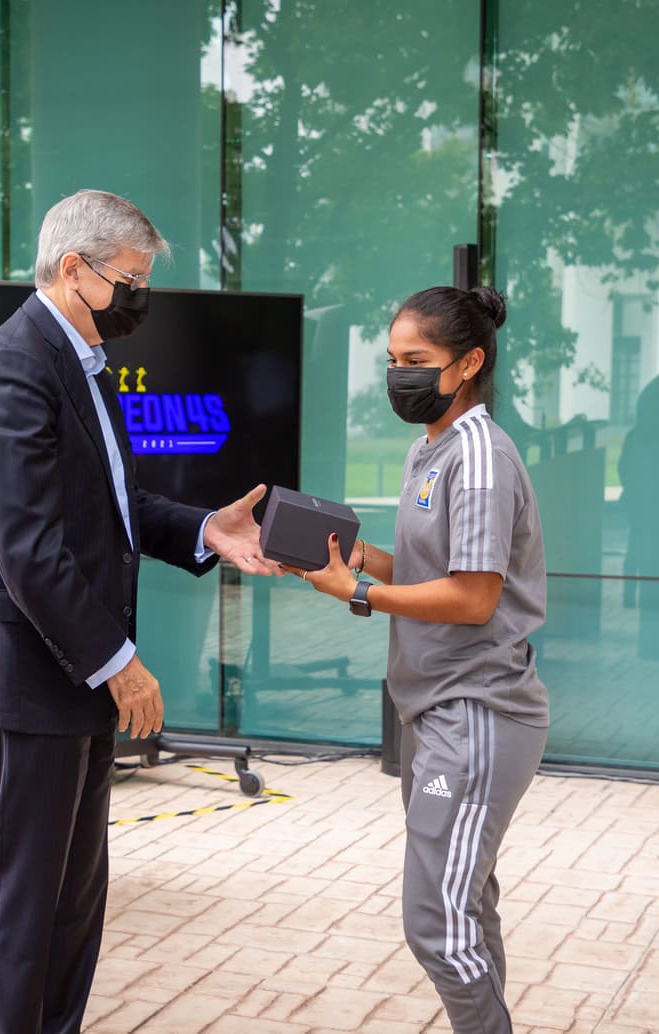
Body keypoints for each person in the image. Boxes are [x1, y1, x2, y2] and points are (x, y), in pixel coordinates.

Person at [0, 188, 282, 1032]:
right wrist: (118, 663)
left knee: (70, 909)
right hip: (32, 688)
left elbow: (115, 508)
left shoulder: (77, 360)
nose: (140, 298)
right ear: (73, 270)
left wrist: (207, 527)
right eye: (129, 279)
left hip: (71, 691)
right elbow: (29, 552)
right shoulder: (11, 370)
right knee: (20, 918)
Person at [295, 286, 548, 1034]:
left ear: (468, 362)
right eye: (392, 360)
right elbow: (422, 563)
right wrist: (339, 557)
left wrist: (360, 593)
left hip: (477, 715)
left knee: (435, 919)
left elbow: (472, 598)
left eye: (418, 361)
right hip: (435, 711)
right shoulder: (429, 446)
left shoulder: (479, 456)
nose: (399, 375)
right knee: (462, 905)